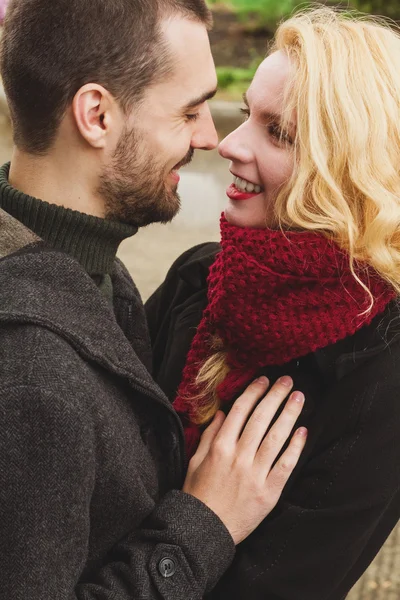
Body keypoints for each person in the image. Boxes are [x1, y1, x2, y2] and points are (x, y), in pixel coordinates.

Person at [0, 1, 308, 598]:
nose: (210, 137)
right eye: (189, 111)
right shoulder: (32, 378)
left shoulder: (85, 268)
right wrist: (204, 524)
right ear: (97, 115)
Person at [146, 7, 400, 599]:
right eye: (246, 117)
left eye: (277, 131)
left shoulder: (383, 369)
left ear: (350, 167)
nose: (229, 144)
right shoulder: (198, 275)